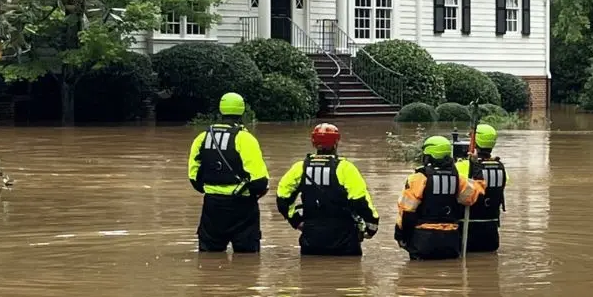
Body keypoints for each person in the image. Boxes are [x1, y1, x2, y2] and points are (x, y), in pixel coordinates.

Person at [275, 123, 379, 256]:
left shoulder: (300, 168)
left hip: (311, 239)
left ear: (313, 143)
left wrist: (296, 221)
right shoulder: (345, 168)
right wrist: (371, 227)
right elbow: (361, 201)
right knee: (349, 269)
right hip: (345, 239)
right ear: (336, 143)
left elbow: (282, 197)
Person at [187, 92, 269, 253]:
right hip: (242, 206)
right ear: (242, 111)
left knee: (209, 258)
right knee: (247, 259)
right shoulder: (245, 139)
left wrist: (212, 190)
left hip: (212, 207)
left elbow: (194, 176)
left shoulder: (202, 138)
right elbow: (260, 181)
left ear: (221, 110)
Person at [395, 135, 485, 261]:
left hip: (424, 240)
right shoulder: (458, 179)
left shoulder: (419, 178)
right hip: (451, 240)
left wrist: (401, 235)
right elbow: (475, 197)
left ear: (428, 155)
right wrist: (475, 166)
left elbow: (407, 212)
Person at [455, 124, 508, 253]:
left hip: (467, 233)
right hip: (491, 234)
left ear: (474, 142)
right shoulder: (500, 167)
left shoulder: (462, 166)